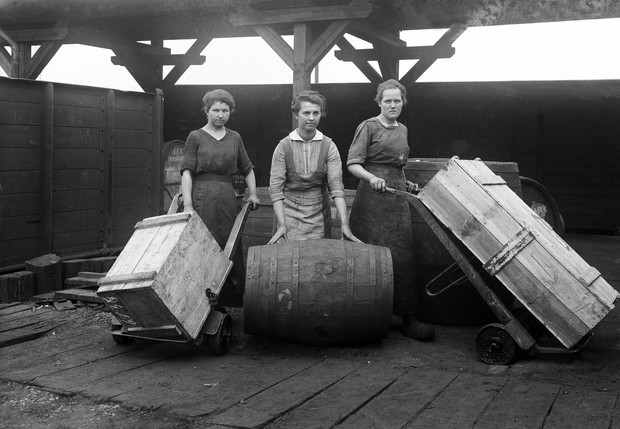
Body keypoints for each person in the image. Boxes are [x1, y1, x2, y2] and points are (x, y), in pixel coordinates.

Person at [347, 79, 435, 340]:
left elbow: (398, 164)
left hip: (397, 199)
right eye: (388, 100)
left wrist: (404, 179)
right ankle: (367, 316)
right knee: (370, 256)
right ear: (379, 102)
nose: (393, 105)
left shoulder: (403, 129)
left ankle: (409, 318)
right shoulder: (368, 127)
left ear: (402, 102)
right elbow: (353, 163)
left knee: (403, 256)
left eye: (397, 100)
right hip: (371, 201)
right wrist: (371, 177)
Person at [180, 89, 260, 307]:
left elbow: (247, 168)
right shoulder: (195, 137)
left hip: (226, 197)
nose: (220, 114)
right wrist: (188, 205)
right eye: (216, 110)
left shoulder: (235, 137)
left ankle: (226, 297)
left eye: (225, 110)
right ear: (206, 111)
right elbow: (187, 172)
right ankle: (198, 300)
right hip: (200, 197)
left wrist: (253, 193)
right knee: (203, 244)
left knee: (229, 244)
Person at [268, 90, 360, 244]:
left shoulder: (329, 146)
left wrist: (345, 224)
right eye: (306, 113)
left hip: (319, 216)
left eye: (316, 113)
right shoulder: (283, 147)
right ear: (297, 114)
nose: (311, 118)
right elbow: (276, 190)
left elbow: (336, 188)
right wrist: (282, 225)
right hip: (288, 215)